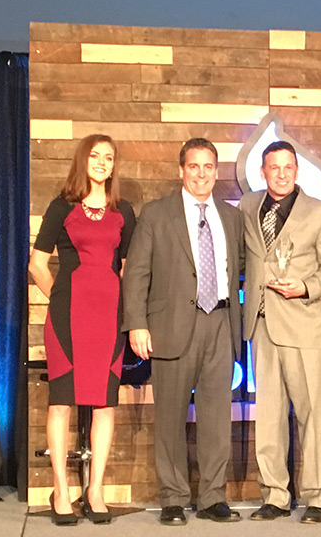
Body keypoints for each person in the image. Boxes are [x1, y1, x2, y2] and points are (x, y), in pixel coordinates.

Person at [122, 138, 244, 526]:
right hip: (170, 326)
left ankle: (212, 497)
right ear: (181, 170)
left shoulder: (231, 216)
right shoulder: (157, 215)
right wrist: (137, 323)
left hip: (220, 323)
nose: (202, 173)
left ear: (216, 171)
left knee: (216, 417)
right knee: (171, 415)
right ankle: (173, 497)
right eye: (194, 166)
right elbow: (137, 273)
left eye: (209, 166)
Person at [28, 134, 136, 526]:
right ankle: (61, 490)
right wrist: (58, 295)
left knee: (106, 403)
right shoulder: (61, 207)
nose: (102, 163)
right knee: (62, 401)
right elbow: (37, 264)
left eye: (109, 157)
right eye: (95, 156)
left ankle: (95, 491)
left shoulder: (124, 210)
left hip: (109, 318)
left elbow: (129, 269)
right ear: (83, 160)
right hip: (67, 318)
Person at [240, 141, 321, 524]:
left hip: (305, 324)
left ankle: (320, 497)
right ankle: (275, 495)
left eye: (288, 167)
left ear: (297, 171)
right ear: (263, 171)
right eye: (273, 167)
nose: (281, 174)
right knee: (267, 416)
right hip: (262, 324)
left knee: (313, 414)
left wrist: (306, 287)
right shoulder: (249, 207)